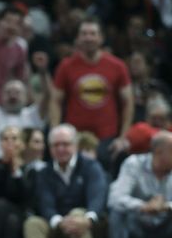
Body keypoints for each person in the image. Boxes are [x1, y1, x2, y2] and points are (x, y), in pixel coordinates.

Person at [21, 124, 108, 238]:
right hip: (59, 224)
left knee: (78, 215)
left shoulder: (91, 167)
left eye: (66, 144)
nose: (61, 149)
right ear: (50, 148)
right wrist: (60, 222)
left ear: (75, 145)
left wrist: (87, 218)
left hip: (91, 224)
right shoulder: (44, 172)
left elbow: (98, 198)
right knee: (33, 223)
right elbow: (46, 204)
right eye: (56, 145)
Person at [49, 18, 133, 173]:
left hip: (107, 137)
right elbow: (55, 100)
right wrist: (56, 133)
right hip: (74, 137)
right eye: (84, 34)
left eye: (93, 34)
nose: (88, 38)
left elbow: (128, 102)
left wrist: (123, 136)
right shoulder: (66, 66)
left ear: (101, 38)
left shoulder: (117, 66)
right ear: (77, 38)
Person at [107, 131, 172, 238]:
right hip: (137, 224)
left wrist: (165, 206)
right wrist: (143, 206)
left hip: (166, 223)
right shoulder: (133, 164)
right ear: (158, 151)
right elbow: (115, 198)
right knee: (117, 215)